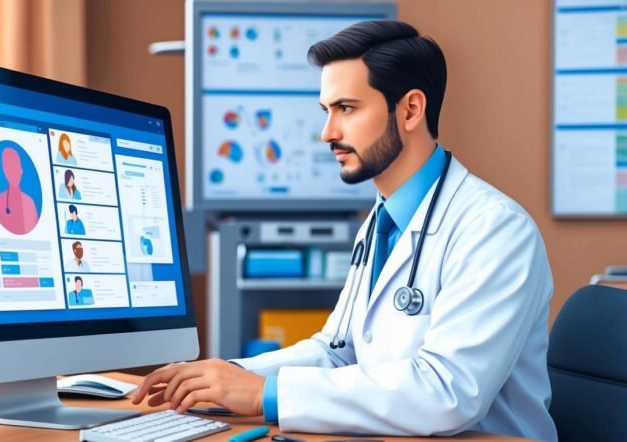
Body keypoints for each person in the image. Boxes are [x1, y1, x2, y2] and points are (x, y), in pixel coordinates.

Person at [132, 20, 556, 441]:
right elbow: (337, 351)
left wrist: (265, 394)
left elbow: (448, 391)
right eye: (326, 111)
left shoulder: (495, 230)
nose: (327, 133)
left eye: (347, 109)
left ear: (410, 109)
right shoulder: (381, 222)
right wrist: (227, 376)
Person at [0, 146, 39, 235]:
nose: (13, 173)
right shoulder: (0, 200)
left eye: (15, 167)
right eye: (9, 168)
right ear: (5, 172)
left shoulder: (29, 202)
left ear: (21, 170)